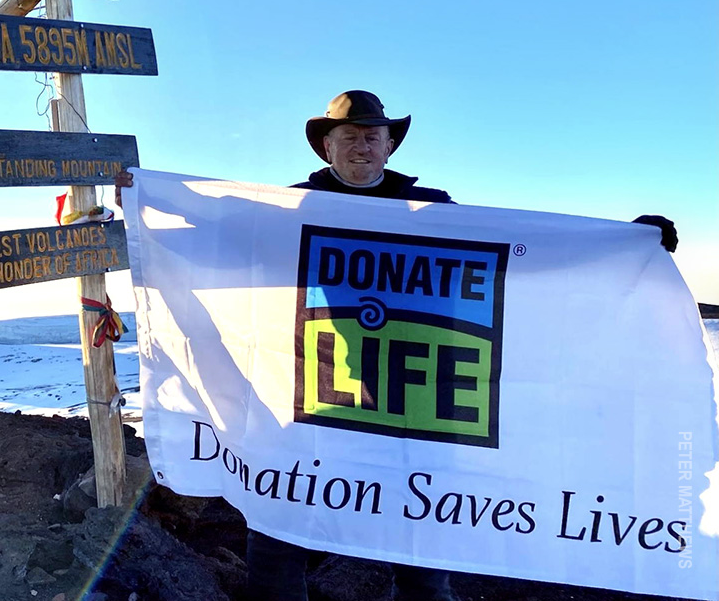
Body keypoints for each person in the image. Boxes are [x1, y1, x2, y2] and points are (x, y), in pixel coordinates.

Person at [115, 89, 676, 600]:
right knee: (280, 531)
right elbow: (217, 237)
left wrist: (625, 241)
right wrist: (143, 208)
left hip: (414, 407)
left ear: (389, 145)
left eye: (372, 135)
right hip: (316, 400)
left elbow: (519, 250)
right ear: (327, 146)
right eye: (348, 136)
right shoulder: (290, 210)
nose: (361, 145)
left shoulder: (430, 209)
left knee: (422, 544)